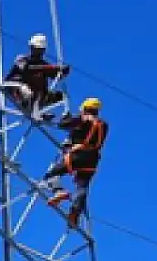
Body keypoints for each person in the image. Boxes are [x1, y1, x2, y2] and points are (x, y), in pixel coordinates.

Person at [44, 97, 109, 228]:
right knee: (82, 186)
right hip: (92, 159)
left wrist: (65, 118)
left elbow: (63, 124)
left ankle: (58, 191)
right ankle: (75, 212)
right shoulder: (103, 125)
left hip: (77, 154)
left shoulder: (82, 119)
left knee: (51, 175)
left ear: (85, 109)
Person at [2, 33, 69, 121]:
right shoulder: (22, 58)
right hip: (15, 86)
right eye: (35, 49)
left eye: (39, 50)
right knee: (29, 87)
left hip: (33, 94)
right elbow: (25, 68)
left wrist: (63, 72)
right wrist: (54, 68)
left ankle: (37, 110)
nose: (37, 52)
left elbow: (55, 75)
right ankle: (30, 107)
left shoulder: (44, 65)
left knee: (58, 95)